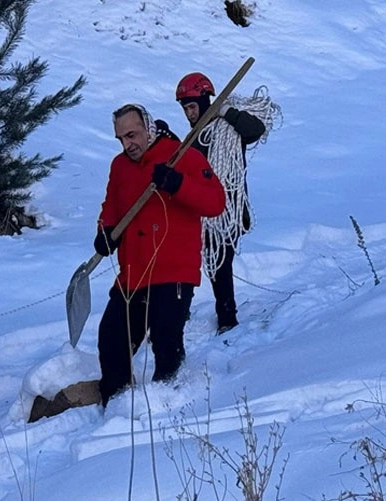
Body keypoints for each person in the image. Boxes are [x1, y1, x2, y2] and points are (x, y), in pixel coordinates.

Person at [93, 104, 225, 402]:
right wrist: (106, 231)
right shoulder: (120, 166)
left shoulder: (183, 156)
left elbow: (215, 202)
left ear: (148, 128)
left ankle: (168, 402)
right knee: (112, 339)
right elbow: (111, 206)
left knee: (166, 340)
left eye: (132, 135)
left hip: (173, 269)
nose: (128, 144)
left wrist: (178, 184)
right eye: (121, 139)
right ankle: (115, 403)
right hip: (133, 274)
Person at [175, 72, 266, 333]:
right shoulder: (194, 140)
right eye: (185, 109)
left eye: (192, 107)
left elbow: (256, 129)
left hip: (229, 210)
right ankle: (181, 312)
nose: (189, 114)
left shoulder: (229, 129)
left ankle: (227, 318)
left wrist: (226, 112)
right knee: (190, 260)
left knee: (220, 263)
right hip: (201, 210)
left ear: (206, 101)